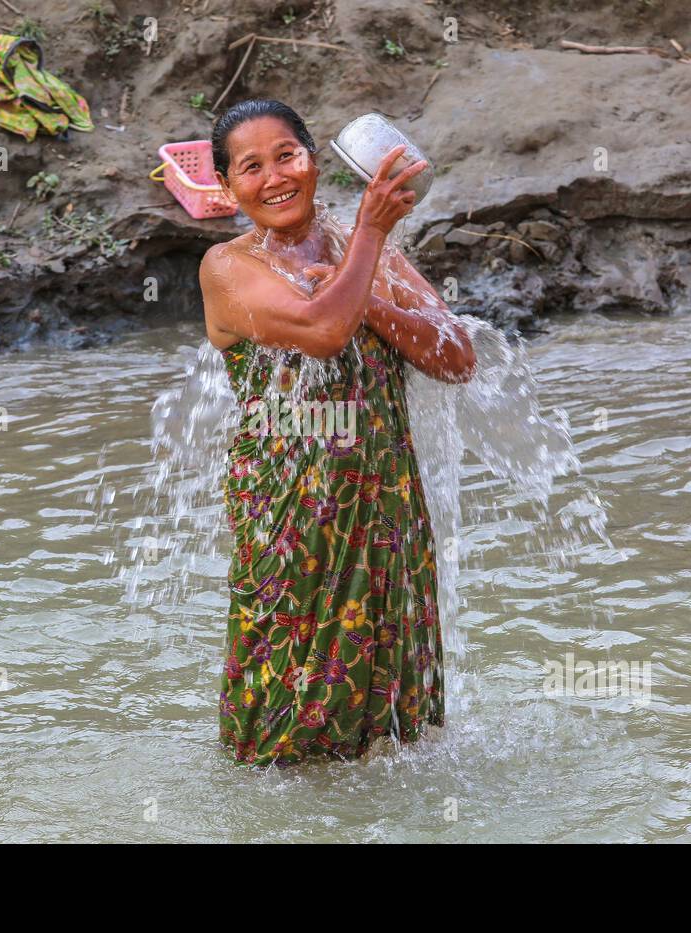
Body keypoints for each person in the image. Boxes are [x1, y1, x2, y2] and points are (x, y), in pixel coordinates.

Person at [199, 99, 475, 766]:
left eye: (287, 156)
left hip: (385, 500)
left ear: (315, 160)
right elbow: (323, 331)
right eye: (251, 167)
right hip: (291, 513)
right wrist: (371, 241)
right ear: (227, 186)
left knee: (393, 717)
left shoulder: (360, 248)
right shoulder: (227, 267)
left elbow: (456, 357)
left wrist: (372, 288)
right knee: (283, 705)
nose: (274, 178)